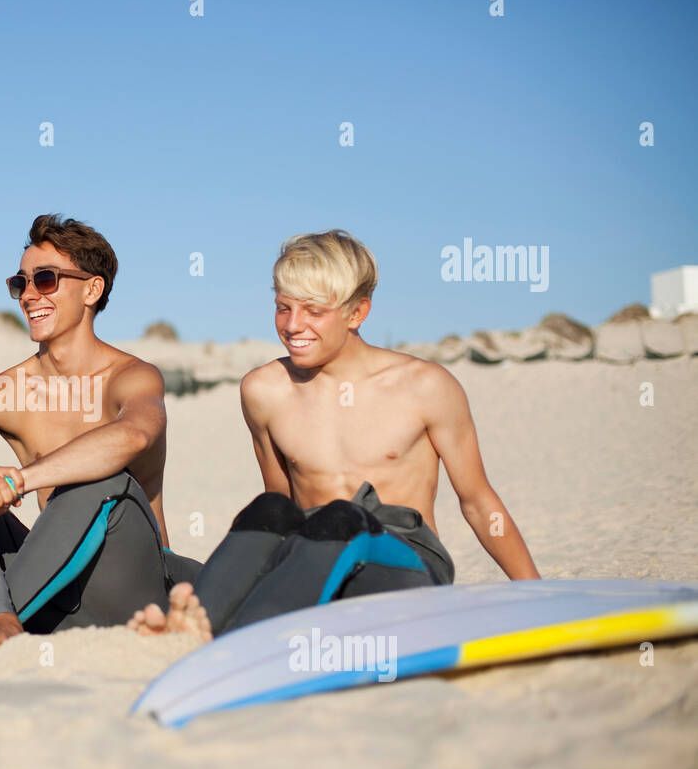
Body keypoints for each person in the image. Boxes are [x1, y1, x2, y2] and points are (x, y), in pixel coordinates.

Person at [129, 229, 540, 642]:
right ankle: (195, 623)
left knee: (342, 514)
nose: (293, 325)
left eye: (313, 311)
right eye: (283, 308)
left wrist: (536, 592)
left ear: (357, 313)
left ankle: (243, 635)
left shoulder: (425, 386)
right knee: (268, 508)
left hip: (404, 565)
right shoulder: (263, 391)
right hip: (311, 564)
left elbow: (477, 500)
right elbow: (282, 506)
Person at [0, 214, 201, 649]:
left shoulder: (132, 376)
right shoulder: (5, 391)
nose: (30, 295)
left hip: (130, 584)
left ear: (92, 289)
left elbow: (132, 436)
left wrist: (17, 479)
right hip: (52, 593)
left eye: (46, 279)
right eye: (21, 283)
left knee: (100, 478)